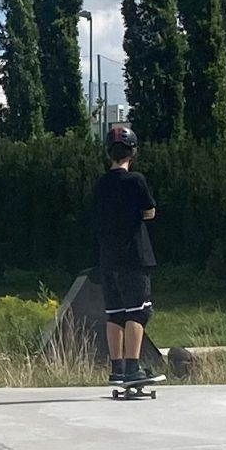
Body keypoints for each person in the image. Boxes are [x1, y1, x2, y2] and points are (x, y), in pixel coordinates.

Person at [90, 122, 160, 386]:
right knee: (138, 312)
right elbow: (149, 212)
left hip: (108, 258)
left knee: (115, 313)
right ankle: (133, 367)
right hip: (133, 256)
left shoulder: (101, 184)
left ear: (108, 153)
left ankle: (116, 368)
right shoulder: (136, 180)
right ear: (133, 152)